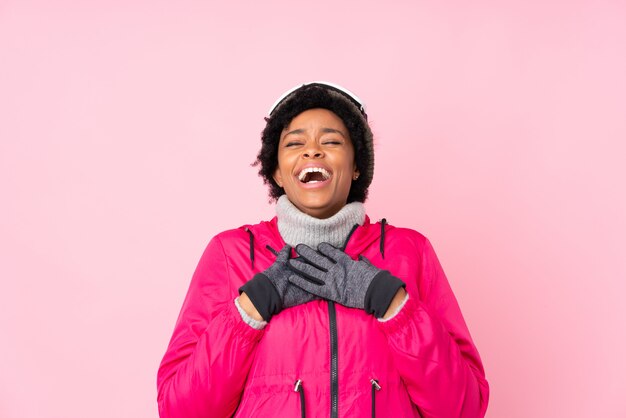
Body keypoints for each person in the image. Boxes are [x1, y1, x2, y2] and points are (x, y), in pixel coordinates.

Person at [157, 82, 489, 417]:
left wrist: (391, 301)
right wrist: (250, 308)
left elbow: (463, 408)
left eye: (331, 141)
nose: (312, 151)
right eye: (295, 143)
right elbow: (181, 410)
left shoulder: (410, 252)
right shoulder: (230, 254)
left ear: (356, 166)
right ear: (277, 172)